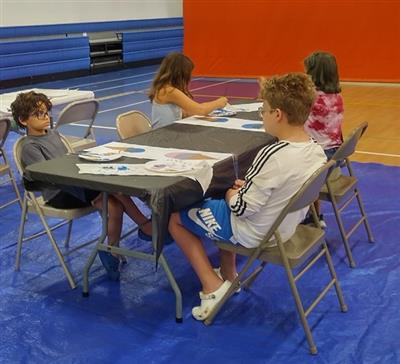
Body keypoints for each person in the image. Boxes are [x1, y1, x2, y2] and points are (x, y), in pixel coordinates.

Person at [168, 73, 327, 321]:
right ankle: (230, 275)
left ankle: (212, 285)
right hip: (283, 227)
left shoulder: (272, 154)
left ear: (278, 115)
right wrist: (247, 188)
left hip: (254, 232)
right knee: (226, 194)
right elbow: (279, 186)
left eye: (263, 110)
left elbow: (241, 208)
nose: (261, 115)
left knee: (176, 217)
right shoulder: (316, 151)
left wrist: (234, 194)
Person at [11, 91, 152, 281]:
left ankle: (111, 251)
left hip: (73, 184)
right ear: (23, 120)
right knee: (114, 186)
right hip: (59, 193)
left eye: (46, 112)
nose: (45, 117)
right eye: (38, 114)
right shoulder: (30, 146)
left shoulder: (54, 134)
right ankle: (144, 224)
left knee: (114, 206)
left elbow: (68, 162)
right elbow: (45, 175)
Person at [304, 51, 344, 226]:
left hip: (321, 156)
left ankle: (304, 216)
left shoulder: (312, 97)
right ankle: (314, 215)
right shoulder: (336, 96)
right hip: (336, 153)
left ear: (313, 73)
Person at [149, 52, 228, 128]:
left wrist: (204, 116)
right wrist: (219, 102)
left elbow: (185, 112)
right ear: (180, 74)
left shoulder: (165, 88)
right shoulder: (169, 91)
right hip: (163, 136)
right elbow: (200, 110)